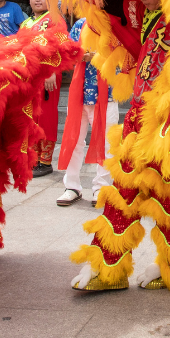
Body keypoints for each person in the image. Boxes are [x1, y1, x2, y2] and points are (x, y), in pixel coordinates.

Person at [57, 13, 117, 207]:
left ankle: (102, 186)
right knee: (74, 140)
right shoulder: (81, 24)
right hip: (79, 92)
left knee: (107, 142)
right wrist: (80, 55)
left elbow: (124, 55)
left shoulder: (114, 23)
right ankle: (72, 186)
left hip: (107, 92)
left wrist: (99, 56)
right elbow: (68, 51)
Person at [21, 0, 59, 176]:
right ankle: (33, 158)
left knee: (47, 116)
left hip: (47, 76)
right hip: (30, 77)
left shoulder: (54, 19)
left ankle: (45, 161)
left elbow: (60, 47)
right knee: (32, 116)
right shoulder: (26, 23)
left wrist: (51, 71)